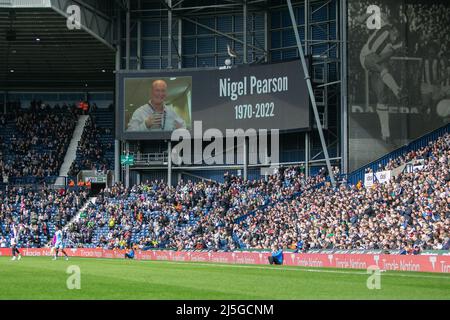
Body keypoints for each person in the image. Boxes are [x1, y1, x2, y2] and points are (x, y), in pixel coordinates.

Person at [359, 23, 405, 143]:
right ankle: (397, 91)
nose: (395, 37)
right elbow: (377, 58)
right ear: (392, 29)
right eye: (395, 34)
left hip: (377, 67)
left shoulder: (391, 44)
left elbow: (381, 59)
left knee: (382, 99)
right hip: (366, 57)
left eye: (397, 36)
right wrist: (394, 49)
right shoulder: (385, 30)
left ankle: (385, 134)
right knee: (383, 67)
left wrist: (393, 50)